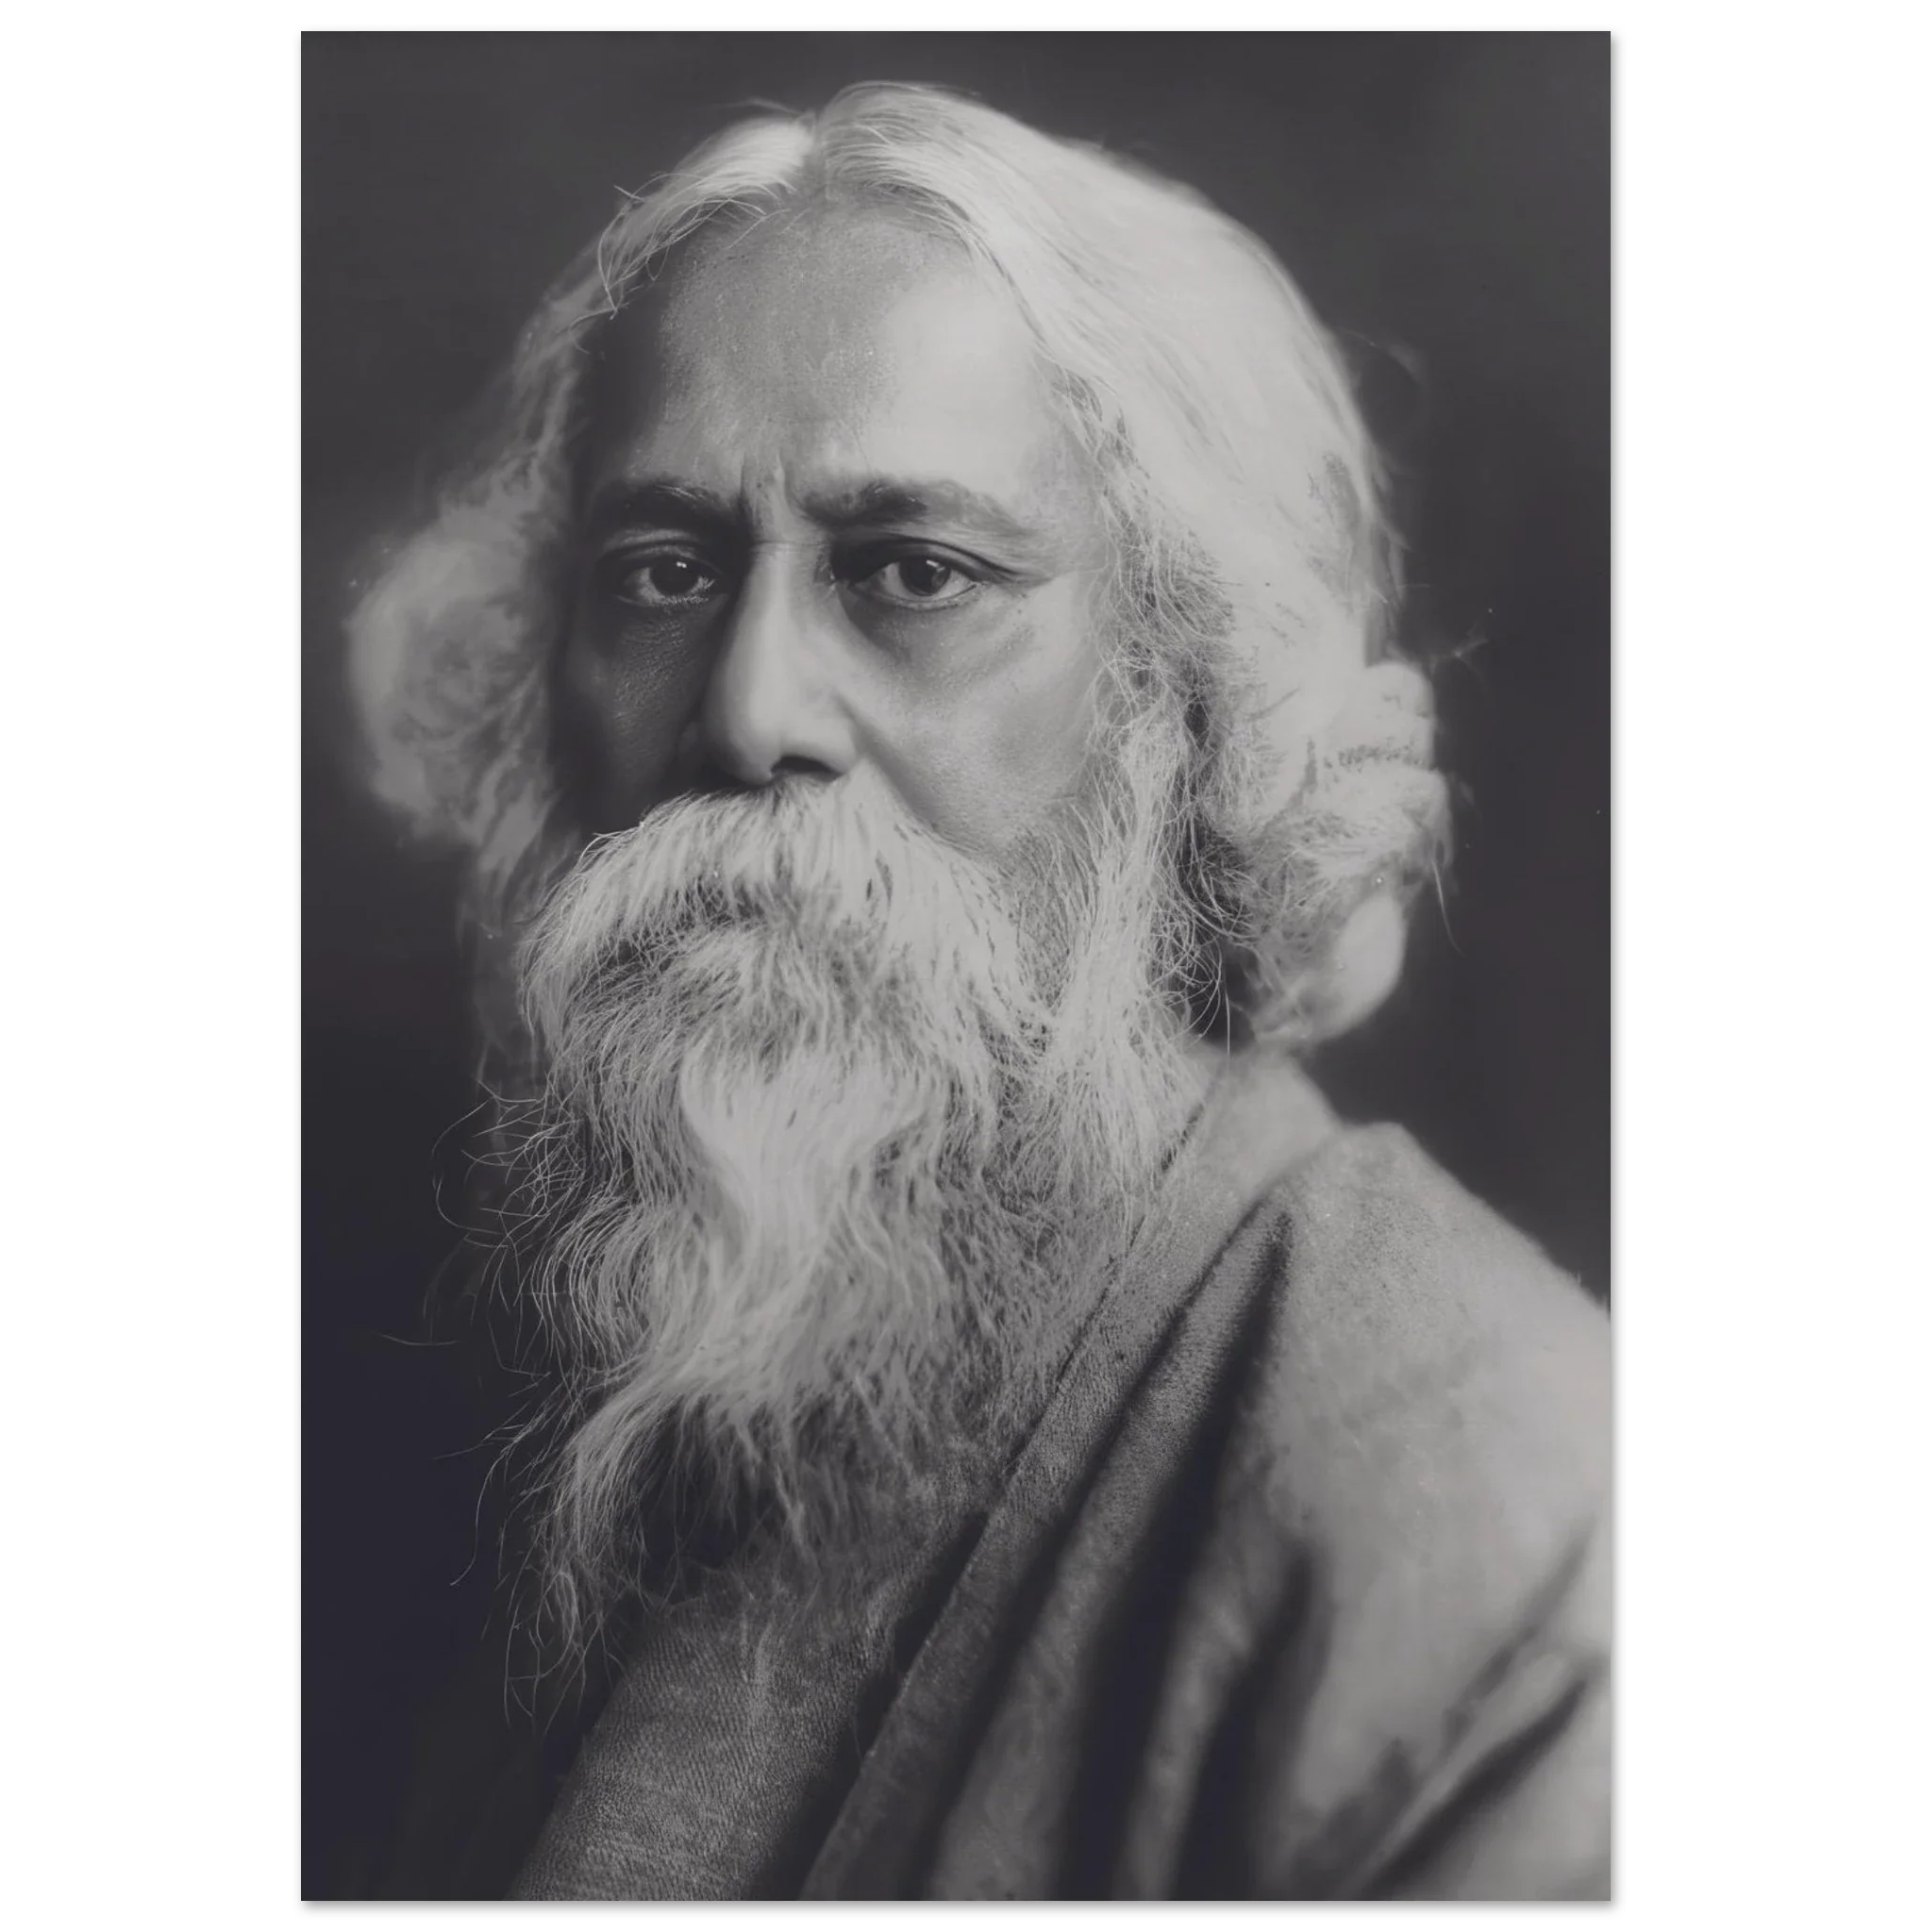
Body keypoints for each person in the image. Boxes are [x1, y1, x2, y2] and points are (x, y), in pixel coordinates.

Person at [343, 81, 1613, 1904]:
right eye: (664, 572)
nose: (751, 710)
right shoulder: (634, 1365)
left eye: (915, 573)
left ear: (1186, 696)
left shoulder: (1500, 1520)